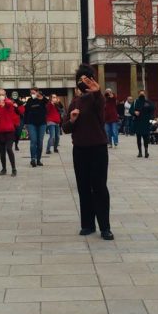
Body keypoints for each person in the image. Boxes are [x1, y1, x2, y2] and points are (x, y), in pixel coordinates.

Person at [62, 64, 113, 239]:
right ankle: (87, 224)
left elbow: (100, 106)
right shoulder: (74, 102)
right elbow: (66, 128)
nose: (83, 83)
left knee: (99, 187)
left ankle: (105, 227)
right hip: (80, 149)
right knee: (83, 187)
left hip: (98, 148)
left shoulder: (97, 98)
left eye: (86, 79)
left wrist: (97, 92)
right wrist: (72, 120)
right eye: (80, 80)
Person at [0, 88, 18, 176]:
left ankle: (14, 168)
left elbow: (10, 103)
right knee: (2, 151)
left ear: (5, 94)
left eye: (2, 94)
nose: (0, 96)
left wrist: (5, 101)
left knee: (9, 149)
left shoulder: (8, 103)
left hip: (9, 130)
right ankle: (4, 168)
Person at [24, 87, 48, 167]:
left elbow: (47, 103)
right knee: (33, 141)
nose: (32, 94)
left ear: (38, 92)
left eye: (34, 92)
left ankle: (38, 159)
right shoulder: (29, 101)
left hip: (42, 123)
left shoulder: (43, 100)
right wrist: (25, 123)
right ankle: (33, 159)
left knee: (40, 142)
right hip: (31, 123)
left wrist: (41, 97)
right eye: (31, 93)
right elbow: (26, 112)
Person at [132, 90, 154, 158]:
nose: (142, 95)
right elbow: (130, 110)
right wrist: (134, 112)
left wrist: (151, 120)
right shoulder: (135, 102)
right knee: (138, 138)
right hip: (138, 122)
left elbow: (152, 109)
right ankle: (140, 152)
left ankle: (146, 151)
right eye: (140, 94)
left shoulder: (148, 102)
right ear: (138, 94)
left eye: (143, 94)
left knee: (146, 138)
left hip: (146, 122)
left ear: (145, 95)